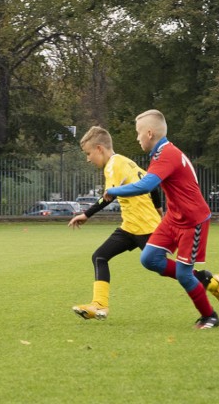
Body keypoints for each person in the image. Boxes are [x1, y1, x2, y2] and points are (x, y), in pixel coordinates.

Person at [104, 110, 219, 330]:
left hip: (193, 221)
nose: (137, 138)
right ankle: (208, 280)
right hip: (174, 217)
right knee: (149, 258)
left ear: (150, 133)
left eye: (138, 133)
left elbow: (146, 186)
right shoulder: (160, 153)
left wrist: (115, 190)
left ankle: (210, 316)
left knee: (183, 274)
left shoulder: (167, 154)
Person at [67, 126, 162, 320]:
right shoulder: (127, 161)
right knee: (100, 256)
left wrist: (86, 215)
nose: (88, 159)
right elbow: (153, 185)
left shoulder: (112, 165)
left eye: (88, 153)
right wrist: (159, 210)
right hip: (130, 227)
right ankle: (99, 305)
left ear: (100, 148)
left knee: (164, 267)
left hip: (145, 227)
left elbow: (108, 197)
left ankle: (209, 280)